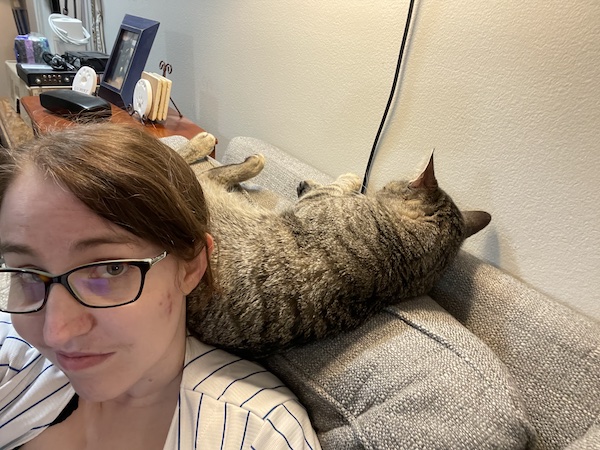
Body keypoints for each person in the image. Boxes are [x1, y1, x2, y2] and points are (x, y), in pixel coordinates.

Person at [0, 123, 321, 449]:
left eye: (110, 269)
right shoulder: (10, 360)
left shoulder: (259, 435)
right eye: (26, 273)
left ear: (191, 266)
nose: (56, 333)